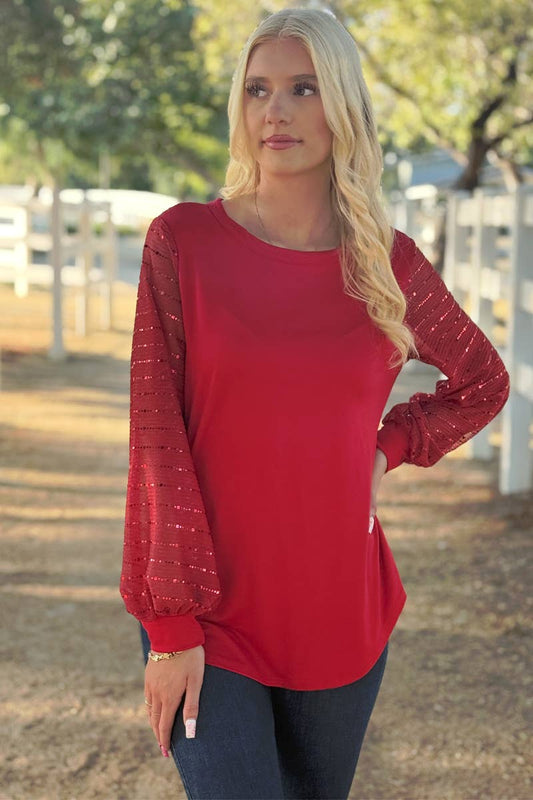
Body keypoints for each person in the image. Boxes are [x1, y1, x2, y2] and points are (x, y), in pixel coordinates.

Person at [120, 7, 510, 799]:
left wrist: (387, 447)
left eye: (303, 88)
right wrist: (169, 631)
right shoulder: (184, 243)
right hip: (212, 610)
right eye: (258, 89)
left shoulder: (387, 264)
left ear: (342, 107)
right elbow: (157, 442)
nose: (276, 110)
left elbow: (481, 382)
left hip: (338, 611)